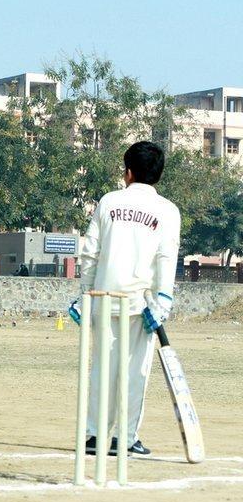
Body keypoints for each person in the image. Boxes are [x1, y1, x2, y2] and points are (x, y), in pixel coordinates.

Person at [69, 141, 181, 456]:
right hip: (142, 304)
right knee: (135, 373)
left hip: (104, 298)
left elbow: (90, 253)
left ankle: (93, 437)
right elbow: (166, 259)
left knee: (102, 369)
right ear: (157, 175)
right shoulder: (167, 211)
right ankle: (126, 438)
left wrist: (85, 296)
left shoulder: (108, 202)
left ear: (128, 172)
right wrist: (163, 303)